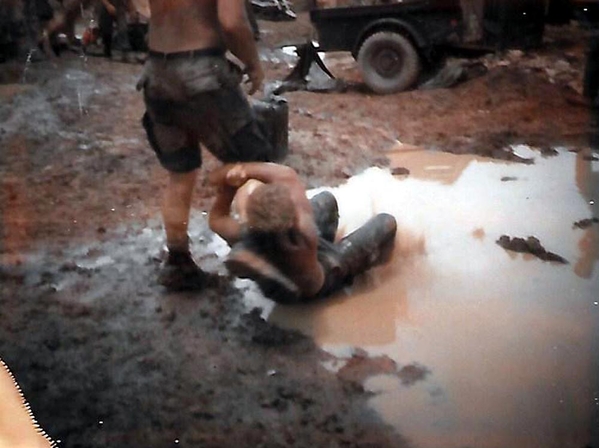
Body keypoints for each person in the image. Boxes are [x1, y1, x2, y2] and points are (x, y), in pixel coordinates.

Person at [138, 0, 276, 290]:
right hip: (202, 71)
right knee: (257, 162)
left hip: (156, 73)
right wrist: (253, 63)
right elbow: (232, 22)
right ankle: (268, 253)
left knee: (180, 176)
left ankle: (178, 263)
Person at [208, 162, 397, 303]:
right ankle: (374, 269)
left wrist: (229, 186)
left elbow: (216, 219)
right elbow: (286, 175)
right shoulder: (305, 230)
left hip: (279, 288)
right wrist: (245, 169)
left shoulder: (243, 234)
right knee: (387, 222)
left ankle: (269, 269)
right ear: (293, 216)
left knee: (326, 200)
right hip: (319, 279)